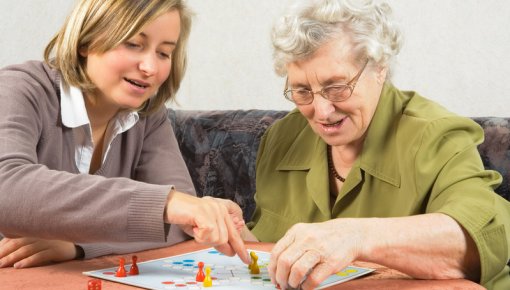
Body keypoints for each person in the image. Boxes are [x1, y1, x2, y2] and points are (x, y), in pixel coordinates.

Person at [246, 0, 510, 289]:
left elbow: (479, 239)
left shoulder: (437, 136)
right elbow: (271, 252)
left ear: (380, 68)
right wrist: (237, 240)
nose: (321, 111)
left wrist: (357, 236)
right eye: (302, 90)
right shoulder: (282, 138)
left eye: (336, 87)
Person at [0, 0, 249, 269]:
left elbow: (182, 224)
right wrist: (167, 204)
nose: (150, 68)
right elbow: (7, 186)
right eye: (133, 44)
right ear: (85, 41)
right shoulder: (19, 89)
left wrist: (79, 245)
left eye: (164, 53)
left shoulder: (149, 116)